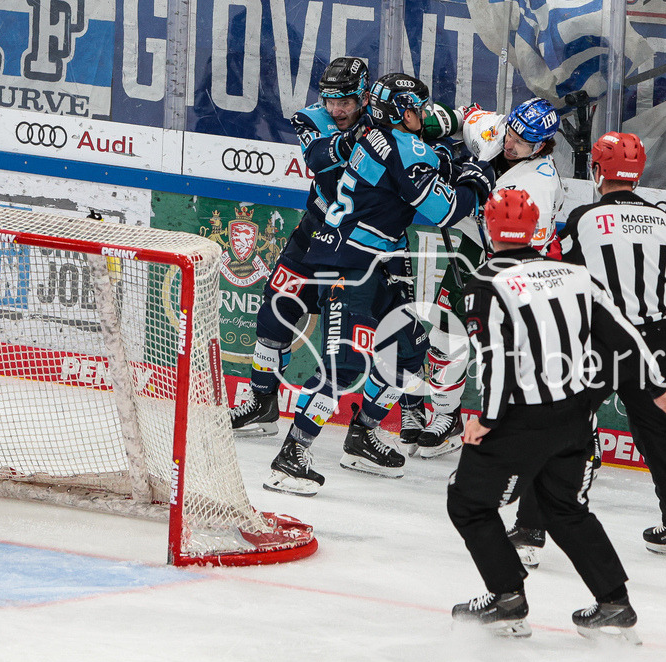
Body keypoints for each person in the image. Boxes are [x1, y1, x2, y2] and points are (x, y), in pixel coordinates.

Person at [447, 188, 666, 642]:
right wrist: (657, 386)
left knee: (467, 502)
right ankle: (614, 602)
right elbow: (624, 333)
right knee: (565, 508)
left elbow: (496, 357)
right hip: (574, 415)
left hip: (519, 419)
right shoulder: (575, 275)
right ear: (535, 229)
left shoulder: (486, 282)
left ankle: (506, 595)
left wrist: (487, 420)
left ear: (490, 230)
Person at [263, 73, 495, 495]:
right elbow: (444, 211)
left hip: (377, 263)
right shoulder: (402, 147)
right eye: (417, 108)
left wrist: (452, 157)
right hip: (347, 265)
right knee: (345, 364)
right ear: (403, 112)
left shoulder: (378, 135)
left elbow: (423, 161)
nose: (422, 114)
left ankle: (363, 435)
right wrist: (476, 179)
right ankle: (292, 453)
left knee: (408, 352)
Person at [512, 131, 666, 559]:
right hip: (653, 339)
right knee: (658, 432)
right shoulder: (665, 222)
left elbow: (557, 274)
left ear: (598, 170)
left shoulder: (584, 219)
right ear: (638, 173)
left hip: (597, 339)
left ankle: (530, 531)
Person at [230, 56, 376, 436]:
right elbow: (317, 157)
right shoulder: (311, 117)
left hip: (358, 246)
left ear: (363, 98)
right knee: (275, 310)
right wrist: (360, 139)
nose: (336, 110)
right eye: (331, 100)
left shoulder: (384, 124)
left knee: (346, 345)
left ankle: (375, 424)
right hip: (314, 234)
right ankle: (262, 402)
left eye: (345, 102)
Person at [414, 97, 564, 459]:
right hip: (474, 248)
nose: (510, 144)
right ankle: (446, 417)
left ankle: (562, 431)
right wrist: (428, 126)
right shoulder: (499, 131)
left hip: (520, 265)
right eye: (511, 133)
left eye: (522, 143)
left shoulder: (540, 188)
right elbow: (465, 118)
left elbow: (525, 253)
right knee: (444, 333)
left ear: (541, 146)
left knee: (521, 351)